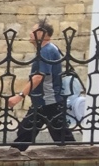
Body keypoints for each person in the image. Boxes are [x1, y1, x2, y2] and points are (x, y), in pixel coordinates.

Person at [7, 20, 76, 148]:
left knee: (62, 138)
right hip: (44, 101)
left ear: (42, 33)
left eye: (33, 31)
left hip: (48, 101)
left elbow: (38, 77)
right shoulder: (49, 49)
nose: (30, 33)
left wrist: (19, 96)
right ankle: (14, 154)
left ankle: (79, 155)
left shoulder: (46, 51)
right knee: (26, 133)